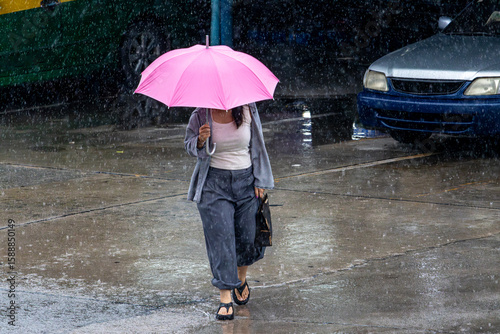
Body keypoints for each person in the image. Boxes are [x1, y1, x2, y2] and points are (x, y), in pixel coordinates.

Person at [184, 103, 274, 320]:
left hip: (246, 182)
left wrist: (260, 179)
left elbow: (258, 146)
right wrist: (199, 140)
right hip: (213, 185)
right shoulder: (200, 114)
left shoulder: (248, 110)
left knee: (246, 237)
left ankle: (240, 279)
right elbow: (188, 145)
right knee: (221, 239)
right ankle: (225, 297)